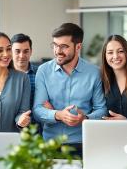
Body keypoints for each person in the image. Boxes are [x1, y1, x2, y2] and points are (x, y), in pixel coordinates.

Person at [33, 23, 106, 157]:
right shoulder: (43, 71)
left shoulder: (94, 73)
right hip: (50, 145)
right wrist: (59, 115)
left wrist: (85, 118)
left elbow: (101, 109)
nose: (57, 51)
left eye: (64, 46)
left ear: (78, 47)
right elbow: (37, 110)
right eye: (55, 45)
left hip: (83, 144)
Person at [101, 35, 127, 120]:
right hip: (108, 132)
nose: (115, 56)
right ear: (105, 56)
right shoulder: (101, 80)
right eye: (110, 52)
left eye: (120, 51)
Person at [10, 34, 39, 123]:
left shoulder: (40, 74)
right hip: (9, 127)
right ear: (10, 52)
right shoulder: (4, 75)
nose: (22, 56)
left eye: (26, 51)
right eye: (17, 51)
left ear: (31, 51)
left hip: (36, 128)